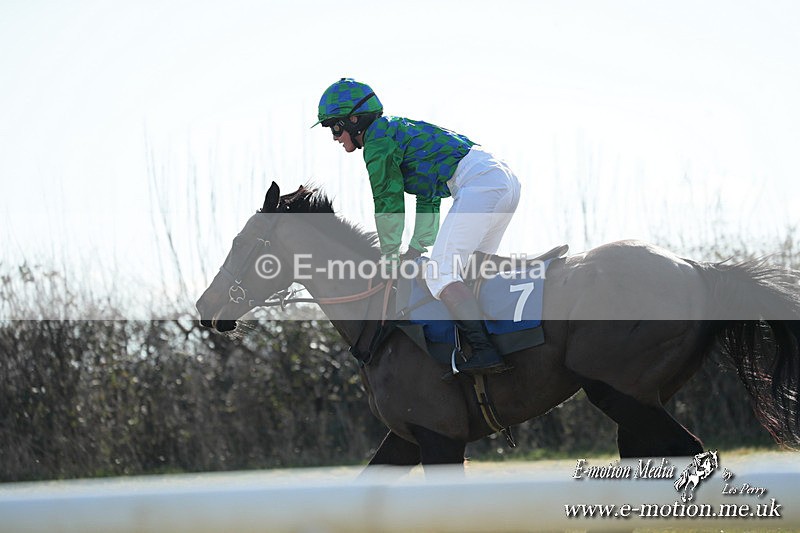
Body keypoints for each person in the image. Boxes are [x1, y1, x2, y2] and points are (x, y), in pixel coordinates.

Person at [313, 78, 521, 374]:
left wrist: (389, 257)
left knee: (439, 275)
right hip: (502, 182)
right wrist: (414, 249)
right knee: (472, 271)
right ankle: (503, 342)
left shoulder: (378, 142)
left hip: (480, 185)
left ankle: (485, 351)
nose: (334, 136)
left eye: (335, 127)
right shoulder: (396, 131)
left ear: (355, 120)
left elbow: (388, 202)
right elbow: (428, 197)